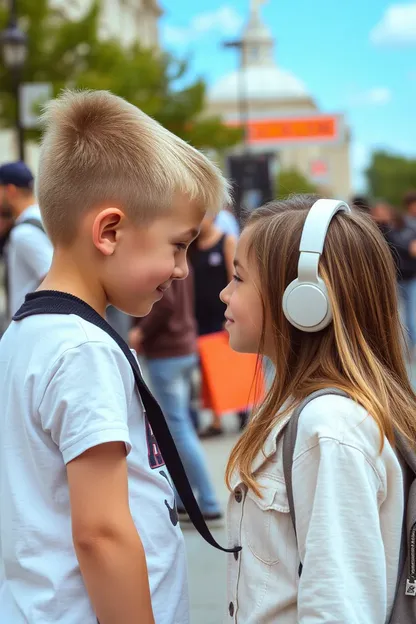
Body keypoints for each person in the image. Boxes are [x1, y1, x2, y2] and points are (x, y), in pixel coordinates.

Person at [0, 90, 230, 624]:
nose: (182, 270)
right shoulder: (84, 351)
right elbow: (102, 533)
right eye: (177, 245)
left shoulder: (24, 335)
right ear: (109, 231)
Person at [220, 194, 416, 622]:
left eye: (238, 278)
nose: (224, 292)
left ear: (304, 298)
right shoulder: (302, 409)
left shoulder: (328, 428)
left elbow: (339, 609)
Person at [129, 271, 223, 525]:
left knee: (178, 428)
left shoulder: (163, 260)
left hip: (168, 351)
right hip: (182, 346)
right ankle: (186, 499)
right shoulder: (178, 258)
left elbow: (166, 304)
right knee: (179, 427)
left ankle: (208, 501)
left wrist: (141, 333)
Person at [190, 214, 248, 436]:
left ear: (212, 217)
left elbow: (231, 277)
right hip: (199, 316)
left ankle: (242, 408)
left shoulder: (226, 241)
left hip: (220, 314)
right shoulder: (193, 247)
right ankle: (216, 420)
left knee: (230, 362)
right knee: (207, 369)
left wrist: (232, 312)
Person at [0, 161, 53, 316]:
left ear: (10, 190)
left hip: (31, 324)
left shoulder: (25, 232)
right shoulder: (44, 218)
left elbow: (52, 277)